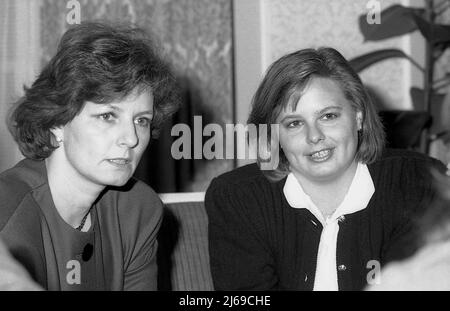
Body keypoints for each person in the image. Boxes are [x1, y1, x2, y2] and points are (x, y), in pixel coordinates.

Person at [205, 47, 445, 291]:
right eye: (295, 123)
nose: (314, 136)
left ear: (358, 116)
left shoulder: (417, 183)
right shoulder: (239, 199)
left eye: (328, 116)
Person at [0, 21, 179, 290]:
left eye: (141, 120)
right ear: (57, 122)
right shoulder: (7, 206)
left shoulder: (139, 209)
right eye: (108, 116)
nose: (131, 138)